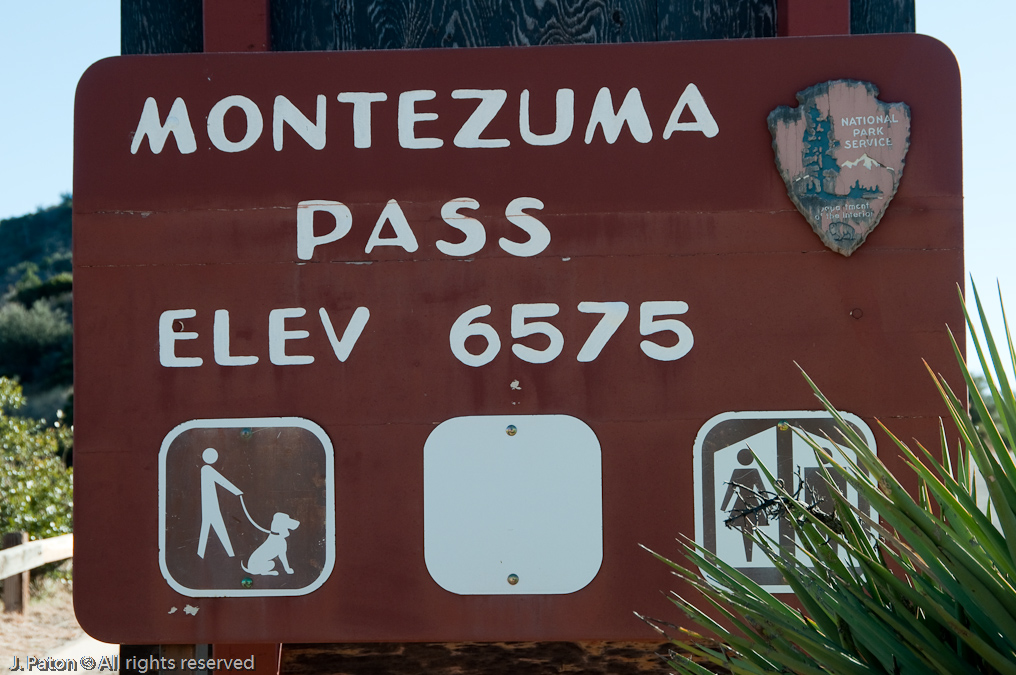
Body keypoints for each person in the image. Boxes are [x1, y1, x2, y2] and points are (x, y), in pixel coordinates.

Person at [720, 447, 769, 562]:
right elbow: (761, 489)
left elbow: (730, 490)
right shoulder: (749, 471)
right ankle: (748, 559)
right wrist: (768, 503)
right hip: (751, 503)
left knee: (746, 527)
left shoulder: (743, 471)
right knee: (748, 527)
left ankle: (749, 559)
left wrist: (724, 507)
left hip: (742, 502)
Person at [197, 447, 244, 558]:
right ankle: (230, 554)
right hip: (210, 505)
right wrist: (237, 492)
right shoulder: (207, 469)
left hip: (210, 505)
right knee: (217, 526)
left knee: (208, 527)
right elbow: (221, 481)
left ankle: (200, 553)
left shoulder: (206, 469)